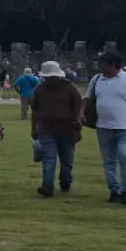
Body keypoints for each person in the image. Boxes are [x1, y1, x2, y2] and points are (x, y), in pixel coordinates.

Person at [89, 50, 126, 205]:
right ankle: (114, 190)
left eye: (102, 63)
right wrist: (81, 114)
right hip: (103, 126)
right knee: (109, 161)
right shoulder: (96, 79)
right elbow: (88, 98)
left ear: (113, 65)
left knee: (125, 156)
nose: (99, 66)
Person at [29, 61, 82, 197]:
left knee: (67, 161)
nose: (49, 80)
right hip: (46, 129)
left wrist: (78, 125)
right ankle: (47, 187)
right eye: (47, 77)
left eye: (52, 77)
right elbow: (35, 110)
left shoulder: (70, 88)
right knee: (49, 159)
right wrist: (33, 128)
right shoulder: (39, 89)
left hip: (67, 129)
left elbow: (78, 106)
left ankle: (65, 182)